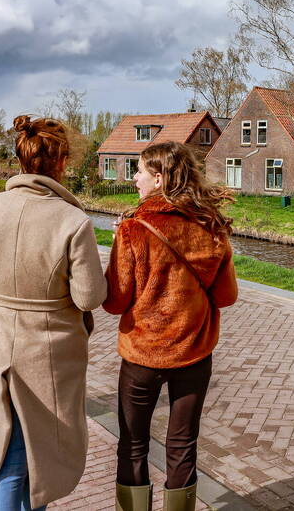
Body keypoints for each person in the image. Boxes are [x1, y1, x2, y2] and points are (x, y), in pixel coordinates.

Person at [0, 115, 107, 511]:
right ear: (62, 161)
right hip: (46, 358)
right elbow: (89, 297)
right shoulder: (73, 221)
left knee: (7, 451)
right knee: (20, 462)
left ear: (21, 157)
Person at [104, 141, 238, 511]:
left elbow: (114, 301)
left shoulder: (133, 229)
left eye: (140, 172)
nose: (135, 179)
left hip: (142, 355)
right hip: (194, 353)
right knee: (182, 445)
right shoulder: (211, 227)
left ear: (159, 178)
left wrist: (119, 244)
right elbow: (226, 296)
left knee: (133, 443)